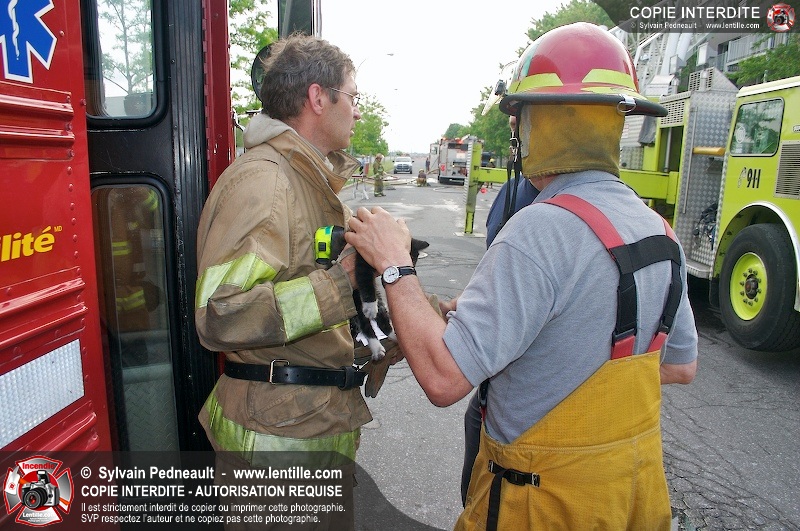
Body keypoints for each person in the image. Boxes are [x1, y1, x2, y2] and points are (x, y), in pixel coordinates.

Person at [346, 22, 698, 529]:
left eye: (520, 118)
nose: (516, 132)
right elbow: (679, 365)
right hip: (632, 499)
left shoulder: (538, 230)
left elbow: (443, 380)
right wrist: (535, 341)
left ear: (538, 126)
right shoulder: (659, 231)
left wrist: (393, 262)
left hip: (543, 505)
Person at [194, 34, 373, 529]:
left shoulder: (305, 180)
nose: (358, 111)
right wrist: (342, 283)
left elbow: (303, 304)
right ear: (318, 97)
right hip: (277, 445)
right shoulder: (267, 183)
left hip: (302, 428)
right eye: (353, 96)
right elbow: (219, 316)